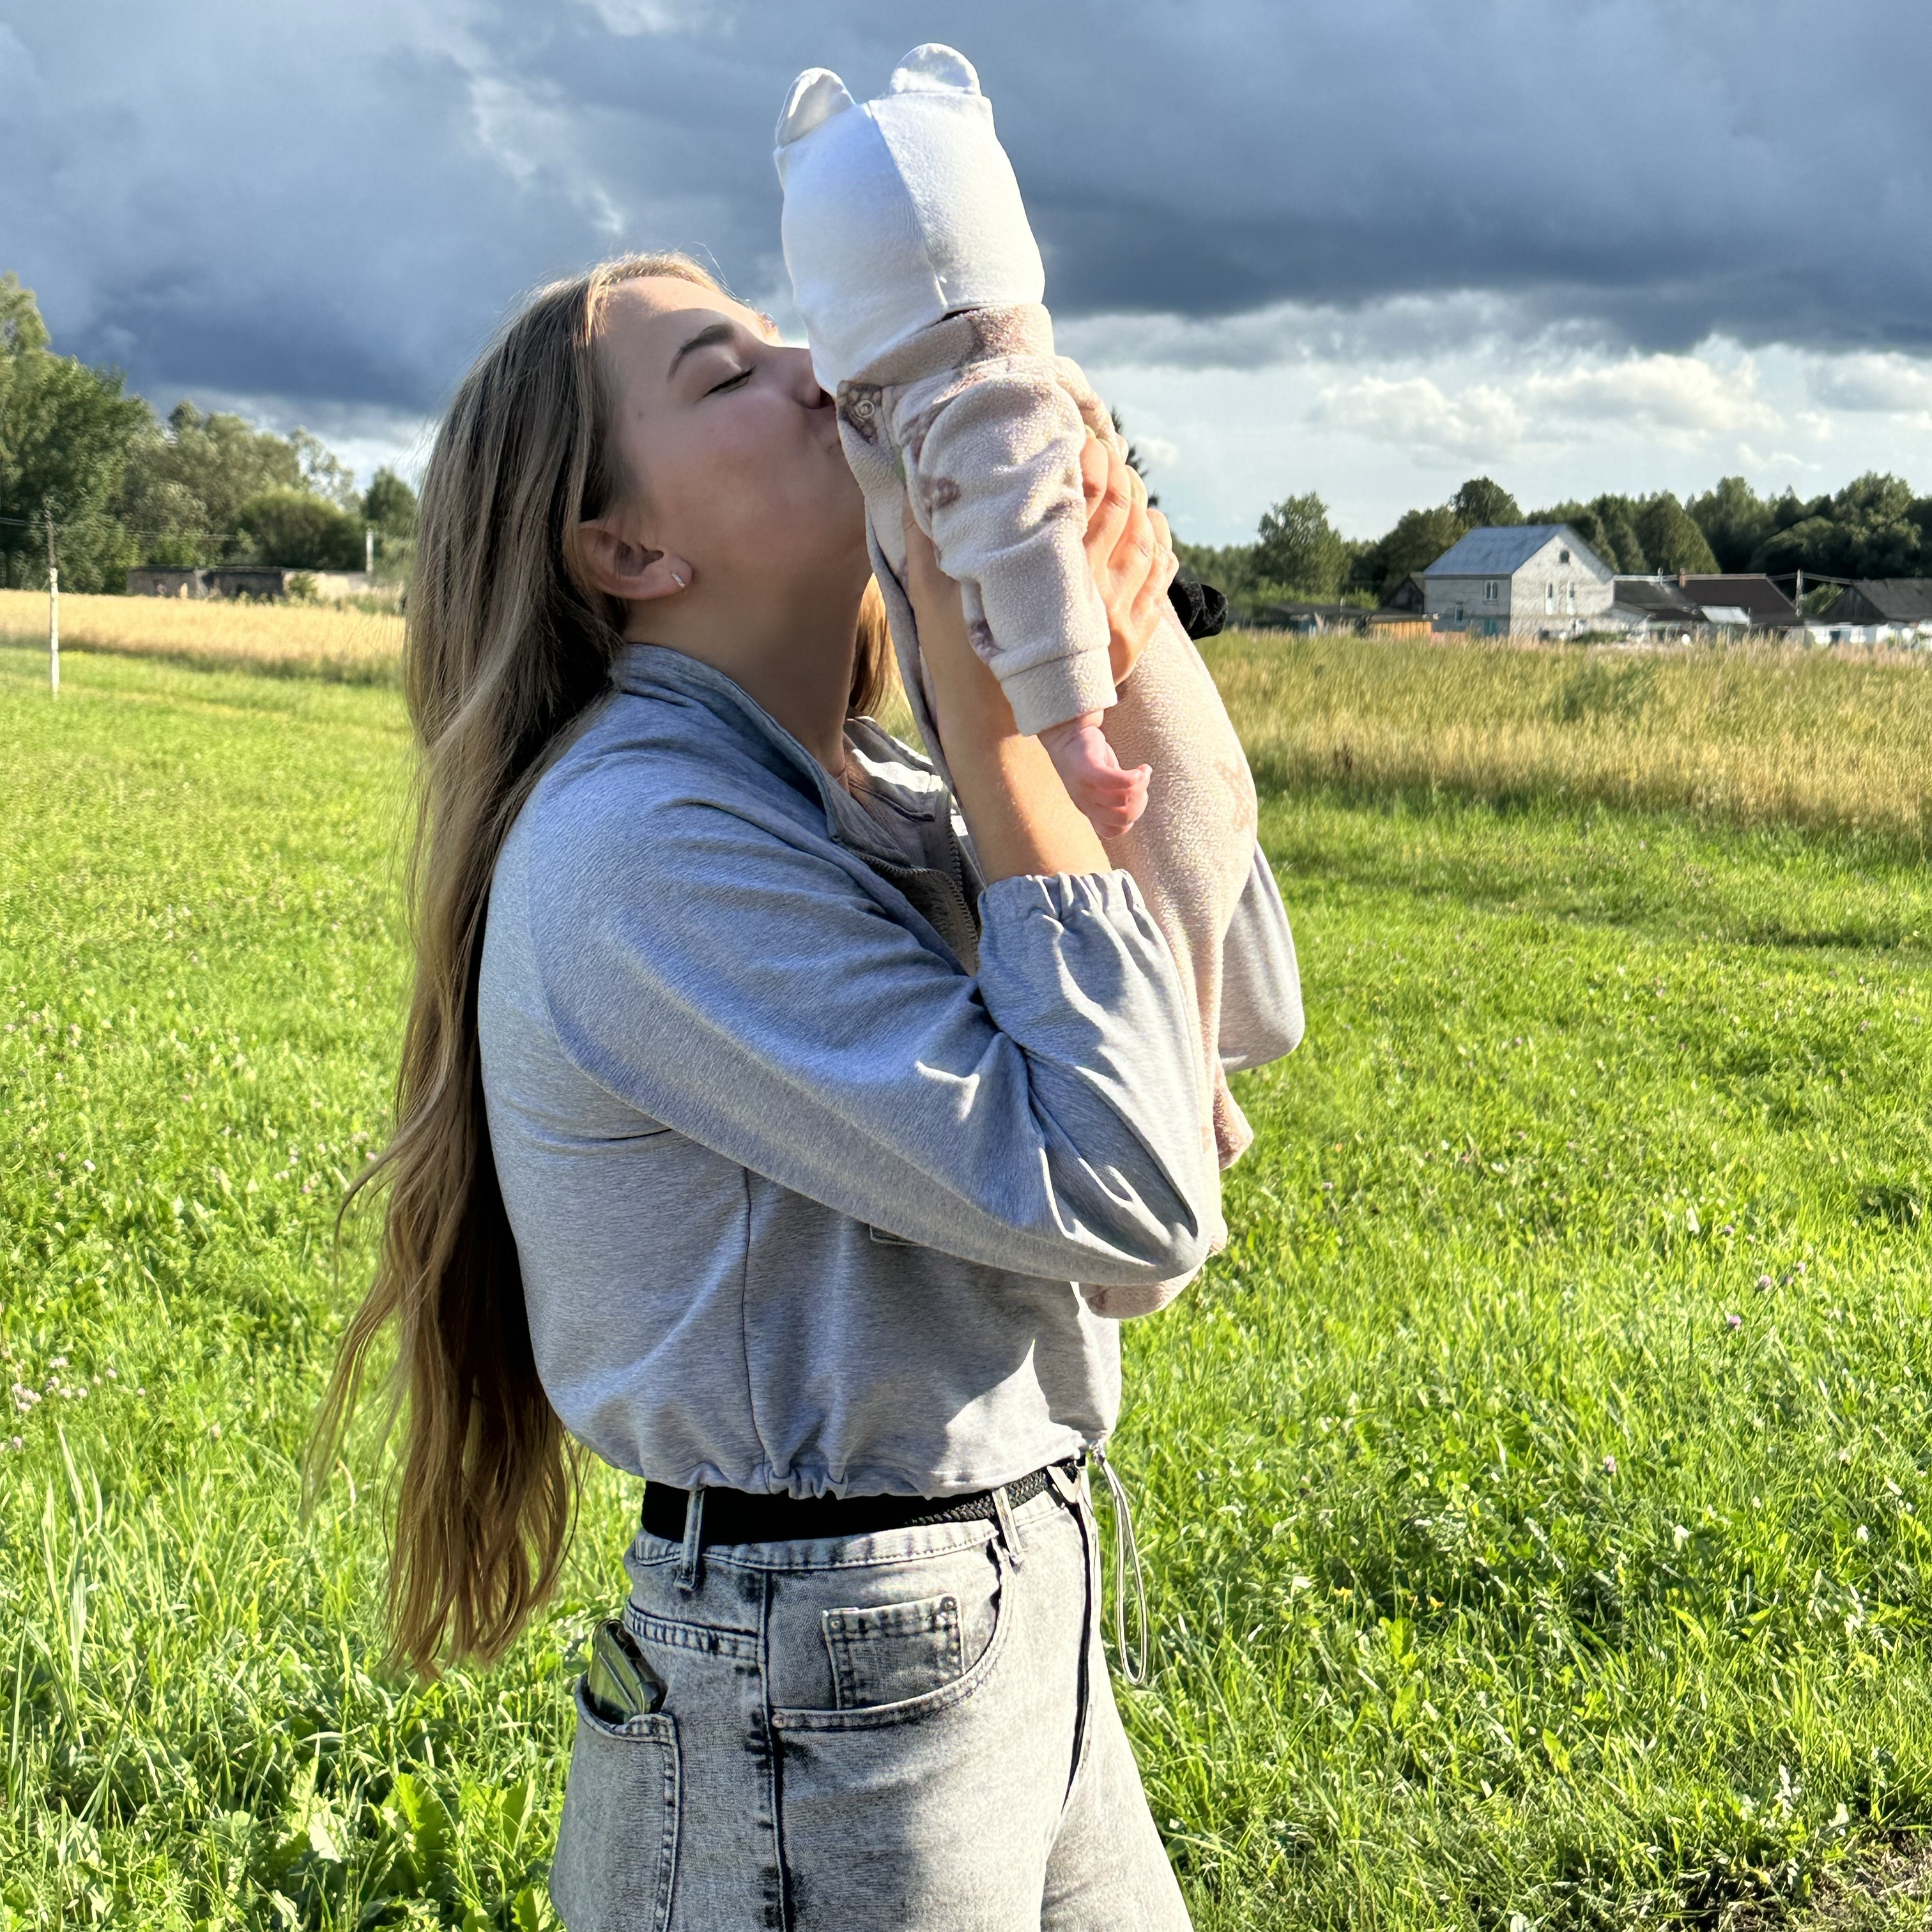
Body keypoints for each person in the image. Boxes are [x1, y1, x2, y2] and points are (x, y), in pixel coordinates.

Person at [314, 252, 1302, 1932]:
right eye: (726, 373)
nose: (815, 369)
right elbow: (1132, 1190)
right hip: (828, 1672)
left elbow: (1233, 1000)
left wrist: (1112, 653)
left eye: (786, 334)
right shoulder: (638, 844)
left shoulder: (875, 788)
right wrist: (996, 723)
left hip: (1001, 1598)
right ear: (627, 550)